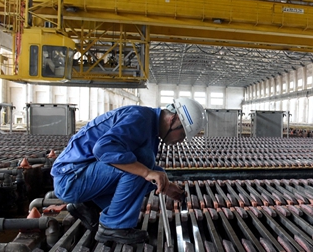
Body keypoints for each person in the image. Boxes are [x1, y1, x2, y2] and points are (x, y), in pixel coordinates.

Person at [51, 98, 206, 244]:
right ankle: (113, 226)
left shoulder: (149, 124)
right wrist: (146, 172)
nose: (180, 141)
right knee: (142, 167)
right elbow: (103, 148)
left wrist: (165, 185)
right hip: (70, 179)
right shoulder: (140, 118)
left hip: (79, 176)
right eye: (183, 134)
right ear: (174, 120)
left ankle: (88, 205)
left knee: (148, 168)